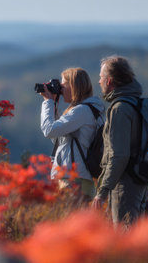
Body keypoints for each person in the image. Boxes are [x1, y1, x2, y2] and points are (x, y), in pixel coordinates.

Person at [92, 55, 148, 225]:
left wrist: (103, 191)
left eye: (101, 77)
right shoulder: (135, 103)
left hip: (125, 185)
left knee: (125, 238)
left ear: (109, 81)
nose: (99, 81)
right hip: (140, 181)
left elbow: (119, 155)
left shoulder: (120, 109)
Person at [40, 67, 104, 201]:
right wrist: (54, 106)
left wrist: (48, 102)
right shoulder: (86, 110)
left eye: (63, 85)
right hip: (76, 178)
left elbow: (49, 130)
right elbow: (58, 138)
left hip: (74, 180)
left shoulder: (81, 111)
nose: (61, 90)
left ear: (74, 86)